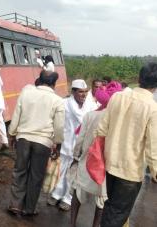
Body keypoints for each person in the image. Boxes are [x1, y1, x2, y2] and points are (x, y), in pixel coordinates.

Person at [96, 63, 157, 227]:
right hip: (129, 172)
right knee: (118, 214)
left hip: (110, 165)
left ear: (139, 78)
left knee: (110, 207)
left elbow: (101, 129)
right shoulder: (152, 108)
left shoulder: (117, 97)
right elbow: (153, 149)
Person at [7, 70, 64, 217]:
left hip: (23, 139)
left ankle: (15, 205)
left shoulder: (26, 93)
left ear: (39, 80)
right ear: (54, 83)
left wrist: (12, 134)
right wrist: (57, 144)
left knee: (19, 171)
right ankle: (29, 208)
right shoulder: (57, 100)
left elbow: (16, 115)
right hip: (43, 142)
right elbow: (59, 127)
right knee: (36, 175)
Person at [70, 81, 122, 227]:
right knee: (101, 199)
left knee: (78, 192)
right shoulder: (117, 119)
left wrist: (75, 157)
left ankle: (72, 223)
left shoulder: (91, 115)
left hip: (87, 161)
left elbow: (79, 140)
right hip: (106, 165)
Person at [48, 79, 97, 211]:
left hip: (81, 148)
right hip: (65, 144)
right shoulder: (64, 104)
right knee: (62, 171)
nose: (84, 94)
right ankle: (56, 194)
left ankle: (67, 199)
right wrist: (54, 141)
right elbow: (57, 123)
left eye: (85, 92)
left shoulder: (91, 106)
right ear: (73, 92)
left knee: (74, 175)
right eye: (80, 92)